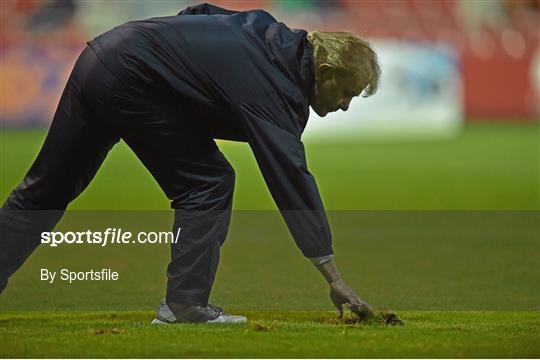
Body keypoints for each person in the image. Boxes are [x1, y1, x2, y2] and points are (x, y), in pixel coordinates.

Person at [0, 3, 381, 324]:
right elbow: (291, 180)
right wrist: (333, 277)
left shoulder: (269, 33)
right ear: (326, 72)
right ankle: (184, 305)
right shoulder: (274, 88)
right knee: (208, 182)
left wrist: (177, 71)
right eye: (346, 93)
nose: (344, 105)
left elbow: (199, 12)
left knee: (46, 189)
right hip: (132, 76)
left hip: (103, 54)